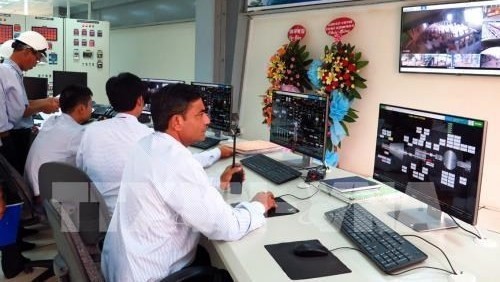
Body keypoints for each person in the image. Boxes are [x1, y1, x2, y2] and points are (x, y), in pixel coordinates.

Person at [101, 83, 276, 281]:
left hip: (125, 266)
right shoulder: (175, 161)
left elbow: (176, 186)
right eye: (200, 114)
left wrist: (219, 183)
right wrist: (258, 205)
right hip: (150, 275)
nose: (207, 120)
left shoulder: (148, 145)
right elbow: (227, 227)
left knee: (205, 255)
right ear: (177, 122)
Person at [76, 72, 233, 216]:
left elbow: (80, 173)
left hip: (99, 216)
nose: (206, 120)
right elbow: (182, 165)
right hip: (131, 216)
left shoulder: (90, 132)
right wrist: (217, 153)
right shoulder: (148, 138)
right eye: (200, 114)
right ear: (140, 100)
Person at [0, 31, 60, 175]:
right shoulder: (7, 72)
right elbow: (19, 112)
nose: (36, 63)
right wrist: (44, 105)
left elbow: (19, 104)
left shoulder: (12, 72)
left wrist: (44, 102)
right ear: (27, 51)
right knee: (15, 183)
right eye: (37, 58)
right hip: (10, 137)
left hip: (14, 134)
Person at [24, 85, 93, 202]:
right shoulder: (77, 133)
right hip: (44, 195)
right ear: (81, 108)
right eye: (90, 105)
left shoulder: (51, 121)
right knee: (98, 188)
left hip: (31, 187)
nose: (91, 109)